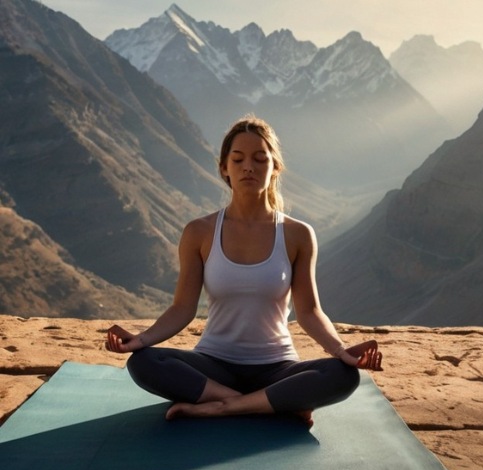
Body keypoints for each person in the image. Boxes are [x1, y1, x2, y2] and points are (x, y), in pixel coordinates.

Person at [106, 116, 382, 425]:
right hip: (213, 365)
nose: (248, 167)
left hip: (277, 368)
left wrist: (341, 350)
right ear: (224, 168)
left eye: (259, 159)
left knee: (343, 375)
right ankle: (267, 405)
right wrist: (140, 341)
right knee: (145, 363)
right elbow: (182, 309)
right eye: (237, 159)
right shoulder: (199, 232)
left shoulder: (297, 234)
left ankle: (221, 407)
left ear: (274, 168)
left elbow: (309, 311)